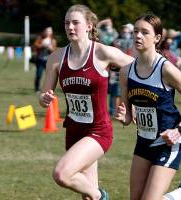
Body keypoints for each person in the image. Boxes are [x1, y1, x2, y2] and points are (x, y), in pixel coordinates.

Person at [39, 4, 133, 200]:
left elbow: (140, 69)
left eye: (75, 23)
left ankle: (101, 196)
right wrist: (45, 98)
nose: (70, 27)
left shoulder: (102, 53)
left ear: (89, 26)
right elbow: (43, 96)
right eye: (67, 23)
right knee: (87, 197)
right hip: (74, 131)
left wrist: (129, 102)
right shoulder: (56, 58)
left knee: (62, 174)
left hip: (98, 131)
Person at [115, 13, 181, 200]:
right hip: (143, 142)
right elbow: (129, 116)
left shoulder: (166, 69)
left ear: (156, 38)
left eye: (144, 32)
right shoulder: (125, 72)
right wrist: (125, 117)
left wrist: (179, 130)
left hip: (167, 143)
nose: (138, 36)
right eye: (136, 31)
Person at [32, 26, 57, 92]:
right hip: (40, 60)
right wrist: (42, 45)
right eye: (47, 31)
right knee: (38, 75)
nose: (48, 32)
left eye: (50, 31)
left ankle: (49, 89)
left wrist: (50, 48)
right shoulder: (40, 39)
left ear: (51, 32)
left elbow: (54, 51)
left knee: (50, 76)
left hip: (48, 61)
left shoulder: (53, 40)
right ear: (45, 32)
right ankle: (36, 89)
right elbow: (35, 46)